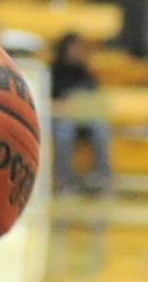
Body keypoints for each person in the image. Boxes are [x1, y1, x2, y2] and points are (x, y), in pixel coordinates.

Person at [48, 32, 112, 193]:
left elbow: (95, 98)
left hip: (84, 118)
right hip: (61, 119)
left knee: (101, 128)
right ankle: (65, 182)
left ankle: (103, 179)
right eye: (73, 47)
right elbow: (47, 100)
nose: (77, 51)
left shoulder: (85, 72)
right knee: (64, 132)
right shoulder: (53, 72)